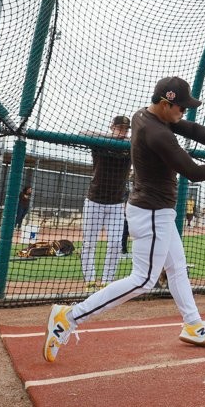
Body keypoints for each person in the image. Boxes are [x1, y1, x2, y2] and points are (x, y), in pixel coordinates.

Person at [43, 76, 205, 362]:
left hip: (154, 210)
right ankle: (70, 316)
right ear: (166, 103)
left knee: (177, 267)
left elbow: (190, 127)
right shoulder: (158, 134)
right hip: (152, 212)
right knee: (143, 280)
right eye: (179, 107)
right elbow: (192, 171)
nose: (182, 113)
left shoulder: (145, 114)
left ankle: (193, 325)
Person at [80, 115, 132, 289]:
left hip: (117, 203)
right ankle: (90, 280)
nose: (122, 131)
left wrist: (129, 139)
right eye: (118, 128)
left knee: (116, 243)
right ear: (112, 127)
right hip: (94, 200)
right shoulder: (101, 142)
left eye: (125, 129)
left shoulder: (131, 146)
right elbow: (82, 132)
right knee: (89, 243)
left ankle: (107, 281)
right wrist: (111, 137)